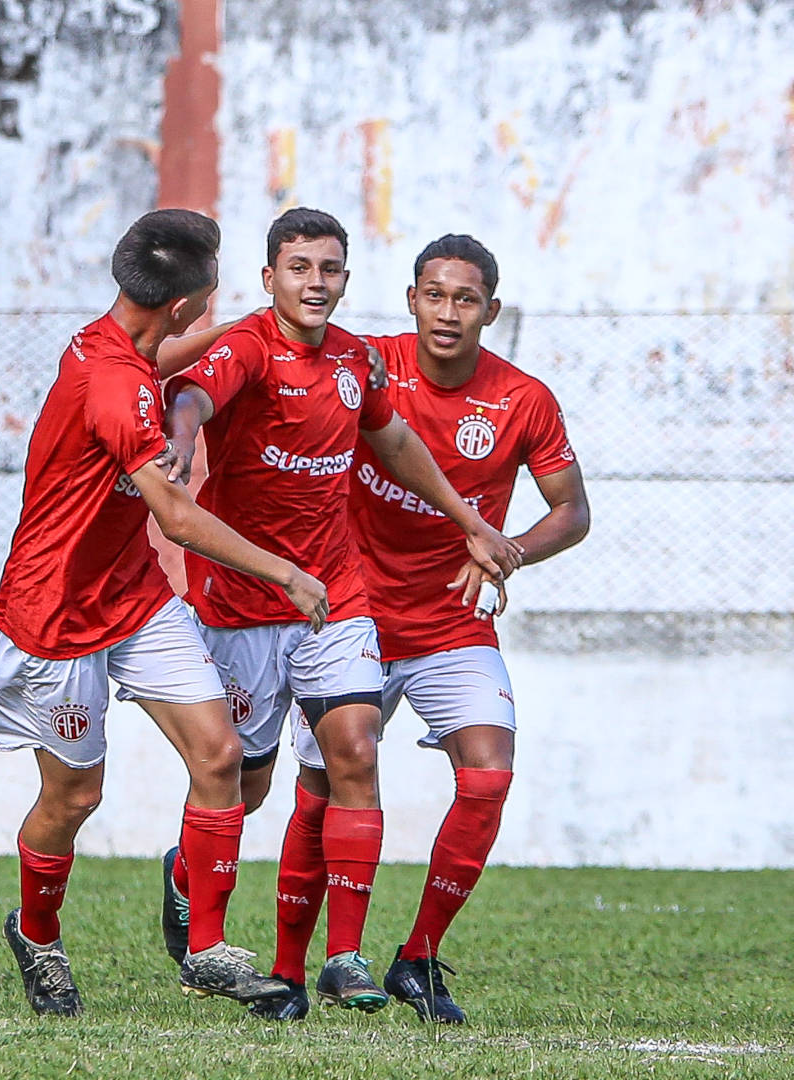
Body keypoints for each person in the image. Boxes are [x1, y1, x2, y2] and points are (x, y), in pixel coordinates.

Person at [156, 208, 521, 1019]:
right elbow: (192, 395)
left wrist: (471, 522)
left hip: (333, 598)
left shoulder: (357, 360)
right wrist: (182, 438)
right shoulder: (249, 345)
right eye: (299, 268)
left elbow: (392, 443)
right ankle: (187, 872)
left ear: (346, 281)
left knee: (352, 748)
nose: (314, 283)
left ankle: (346, 958)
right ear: (270, 278)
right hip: (244, 605)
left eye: (328, 269)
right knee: (244, 791)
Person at [0, 209, 328, 1017]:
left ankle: (206, 948)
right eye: (206, 301)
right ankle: (37, 935)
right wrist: (286, 572)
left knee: (219, 757)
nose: (206, 314)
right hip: (57, 615)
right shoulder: (111, 383)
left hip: (135, 596)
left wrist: (265, 325)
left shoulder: (128, 343)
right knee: (74, 799)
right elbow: (176, 517)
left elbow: (178, 354)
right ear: (179, 305)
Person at [291, 234, 588, 1023]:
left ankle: (417, 957)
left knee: (488, 775)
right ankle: (288, 965)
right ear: (412, 298)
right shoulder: (368, 364)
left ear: (490, 310)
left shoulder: (523, 399)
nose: (448, 311)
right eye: (434, 294)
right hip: (349, 614)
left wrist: (509, 551)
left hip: (452, 624)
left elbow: (573, 510)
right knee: (319, 789)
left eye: (465, 299)